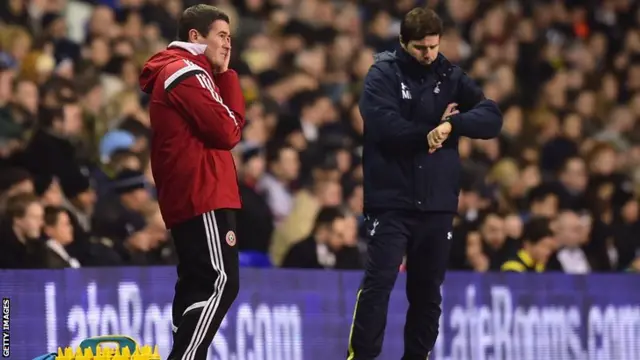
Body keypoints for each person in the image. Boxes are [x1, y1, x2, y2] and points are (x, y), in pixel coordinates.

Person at [346, 8, 503, 360]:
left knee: (428, 292)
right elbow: (382, 125)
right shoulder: (382, 73)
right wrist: (430, 131)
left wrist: (453, 126)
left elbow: (492, 116)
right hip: (392, 199)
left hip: (437, 202)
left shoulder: (449, 74)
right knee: (380, 283)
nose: (428, 54)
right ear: (404, 42)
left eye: (433, 46)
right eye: (420, 47)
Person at [138, 4, 246, 360]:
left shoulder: (190, 73)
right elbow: (228, 130)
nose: (228, 44)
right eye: (221, 36)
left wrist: (224, 75)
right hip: (204, 192)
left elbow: (229, 125)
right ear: (194, 37)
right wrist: (226, 79)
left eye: (231, 37)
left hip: (193, 194)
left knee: (194, 287)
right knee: (221, 282)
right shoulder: (186, 72)